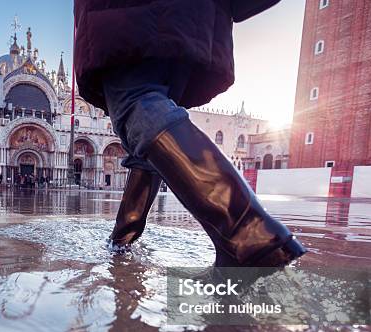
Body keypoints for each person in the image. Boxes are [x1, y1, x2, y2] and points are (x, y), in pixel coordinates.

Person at [74, 0, 306, 267]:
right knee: (145, 130)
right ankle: (122, 238)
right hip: (190, 18)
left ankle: (249, 235)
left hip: (132, 13)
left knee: (136, 103)